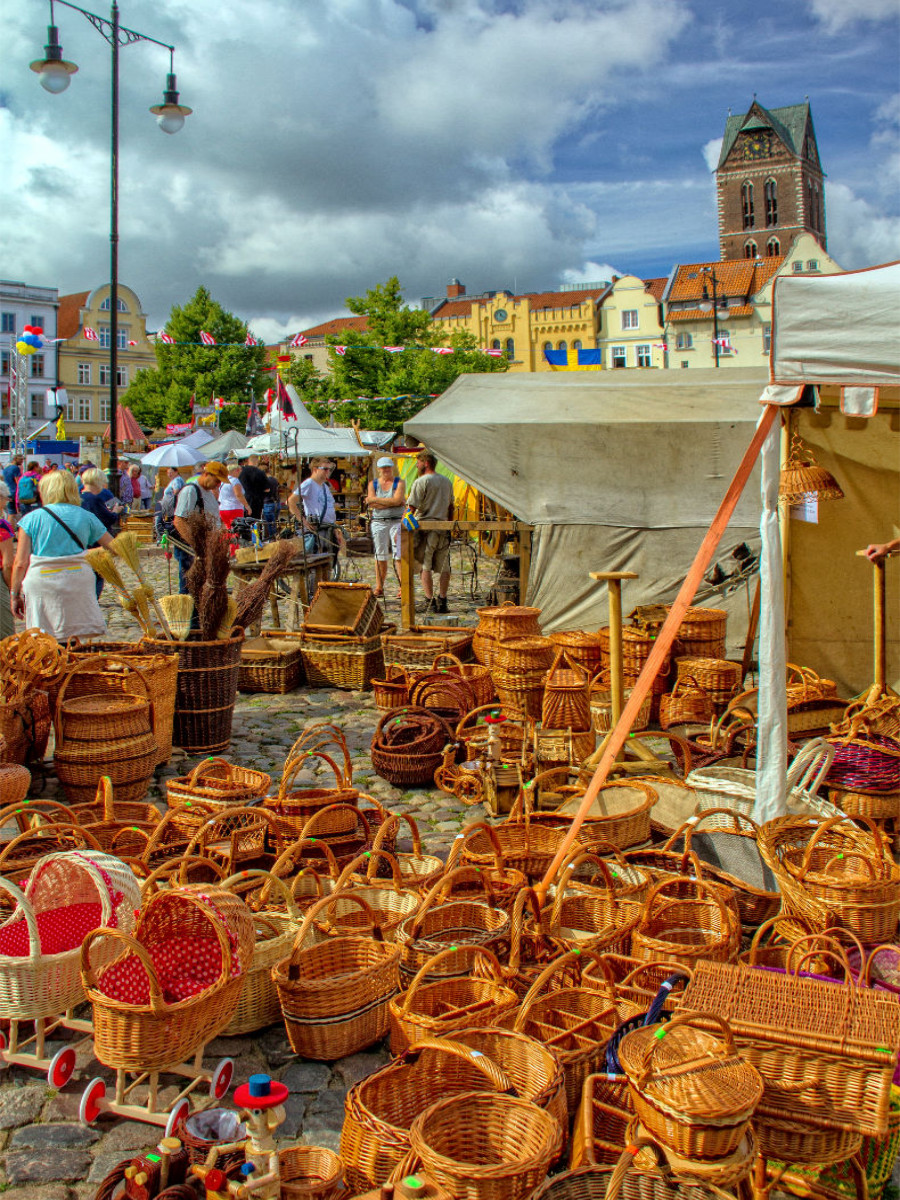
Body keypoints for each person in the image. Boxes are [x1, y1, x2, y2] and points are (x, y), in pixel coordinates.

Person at [9, 469, 113, 641]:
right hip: (77, 578)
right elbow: (114, 547)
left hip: (42, 579)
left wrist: (15, 594)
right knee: (76, 635)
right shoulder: (86, 517)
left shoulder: (32, 518)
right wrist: (86, 554)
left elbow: (20, 562)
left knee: (43, 637)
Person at [406, 450, 454, 614]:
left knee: (425, 566)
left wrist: (404, 526)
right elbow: (451, 507)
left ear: (426, 463)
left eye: (418, 462)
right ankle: (443, 599)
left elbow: (411, 508)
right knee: (444, 566)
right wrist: (449, 526)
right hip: (443, 527)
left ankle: (429, 601)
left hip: (425, 528)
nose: (417, 465)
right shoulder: (447, 481)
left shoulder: (421, 481)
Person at [172, 460, 227, 594]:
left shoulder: (208, 492)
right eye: (217, 480)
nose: (218, 484)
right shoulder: (190, 490)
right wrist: (195, 546)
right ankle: (187, 614)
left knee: (201, 587)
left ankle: (199, 614)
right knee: (189, 587)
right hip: (191, 547)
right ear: (206, 474)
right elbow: (179, 521)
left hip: (204, 545)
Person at [288, 458, 344, 568]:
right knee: (318, 562)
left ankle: (325, 582)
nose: (328, 472)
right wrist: (302, 520)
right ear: (315, 469)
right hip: (318, 529)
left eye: (329, 469)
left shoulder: (325, 486)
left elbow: (329, 508)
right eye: (325, 469)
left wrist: (335, 529)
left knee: (329, 562)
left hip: (328, 529)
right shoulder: (309, 484)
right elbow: (291, 501)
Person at [366, 456, 405, 599]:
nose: (386, 470)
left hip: (396, 521)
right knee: (380, 554)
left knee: (399, 553)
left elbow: (398, 500)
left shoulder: (399, 483)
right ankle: (379, 586)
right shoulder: (373, 484)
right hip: (379, 521)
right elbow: (372, 504)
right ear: (379, 469)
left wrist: (376, 500)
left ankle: (402, 585)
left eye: (388, 467)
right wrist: (392, 502)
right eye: (383, 467)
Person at [79, 468, 120, 596]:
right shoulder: (99, 497)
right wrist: (116, 512)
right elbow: (106, 519)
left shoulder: (77, 496)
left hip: (81, 540)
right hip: (97, 542)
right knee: (97, 574)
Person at [0, 482, 15, 639]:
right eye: (5, 498)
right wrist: (12, 589)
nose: (6, 502)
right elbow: (7, 564)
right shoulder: (2, 526)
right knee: (4, 637)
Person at [218, 461, 251, 529]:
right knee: (237, 529)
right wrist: (247, 506)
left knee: (228, 528)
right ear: (235, 471)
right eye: (238, 471)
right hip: (234, 508)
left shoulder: (222, 481)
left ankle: (228, 539)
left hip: (223, 508)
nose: (239, 473)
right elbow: (238, 495)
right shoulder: (235, 480)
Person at [239, 454, 268, 519]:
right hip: (257, 501)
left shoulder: (241, 471)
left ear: (248, 461)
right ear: (257, 461)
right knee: (255, 522)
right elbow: (267, 489)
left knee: (243, 522)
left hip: (243, 499)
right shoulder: (260, 472)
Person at [262, 470, 281, 540]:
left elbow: (267, 490)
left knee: (270, 525)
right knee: (274, 523)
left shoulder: (266, 480)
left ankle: (272, 541)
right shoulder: (275, 480)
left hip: (268, 504)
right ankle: (275, 538)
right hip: (276, 503)